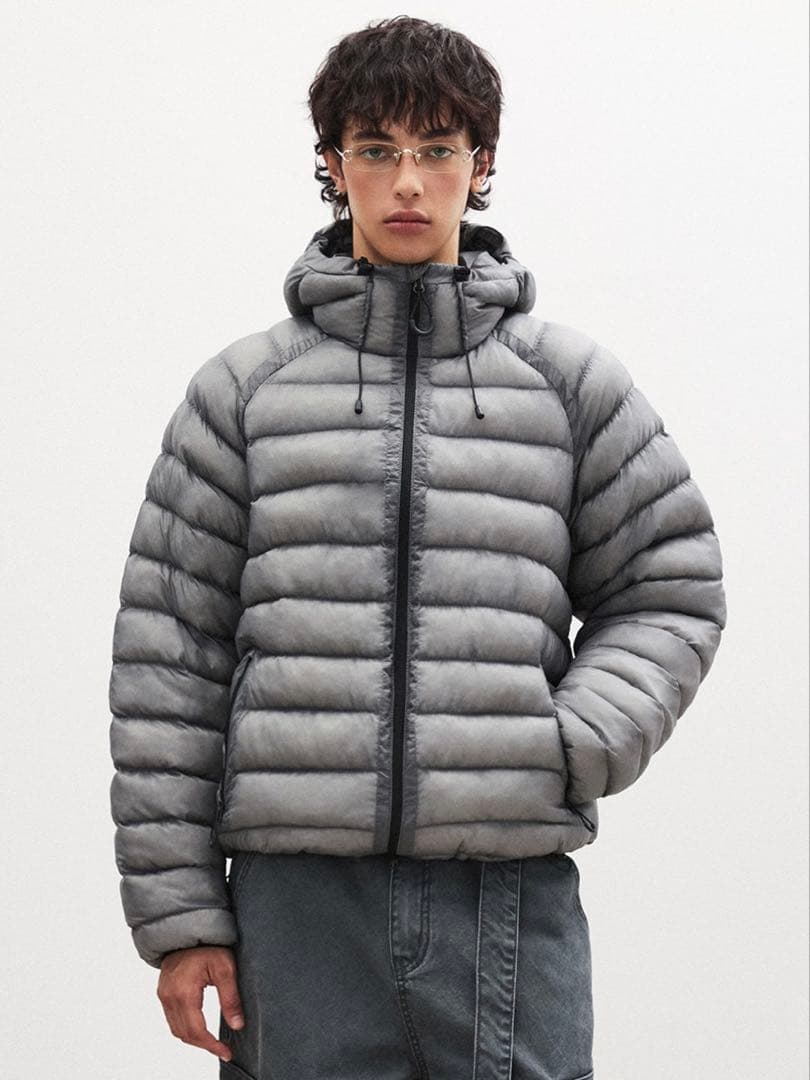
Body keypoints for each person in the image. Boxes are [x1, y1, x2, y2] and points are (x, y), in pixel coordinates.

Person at [108, 16, 727, 1080]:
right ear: (332, 163)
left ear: (480, 165)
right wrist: (181, 915)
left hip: (504, 893)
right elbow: (169, 659)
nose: (406, 182)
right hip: (296, 903)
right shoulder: (242, 395)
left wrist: (569, 742)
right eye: (376, 149)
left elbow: (671, 588)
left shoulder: (569, 386)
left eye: (437, 149)